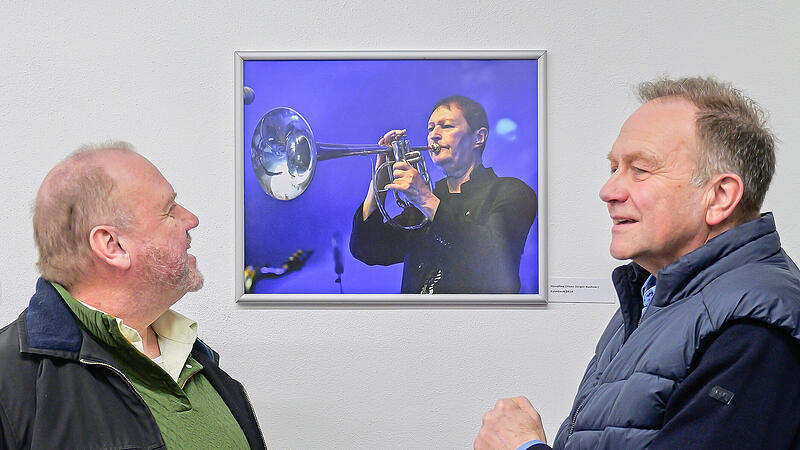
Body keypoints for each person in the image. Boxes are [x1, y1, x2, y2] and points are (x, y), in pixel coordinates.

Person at [475, 77, 800, 449]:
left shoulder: (754, 328)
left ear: (720, 196)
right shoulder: (653, 294)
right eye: (614, 167)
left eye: (640, 169)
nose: (609, 191)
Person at [0, 142, 266, 449]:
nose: (191, 219)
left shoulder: (202, 365)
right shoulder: (11, 383)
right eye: (169, 210)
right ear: (112, 245)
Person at [350, 95, 538, 293]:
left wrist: (424, 199)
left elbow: (493, 260)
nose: (434, 135)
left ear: (478, 137)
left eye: (446, 126)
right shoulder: (426, 204)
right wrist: (380, 178)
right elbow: (367, 249)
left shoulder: (511, 192)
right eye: (430, 128)